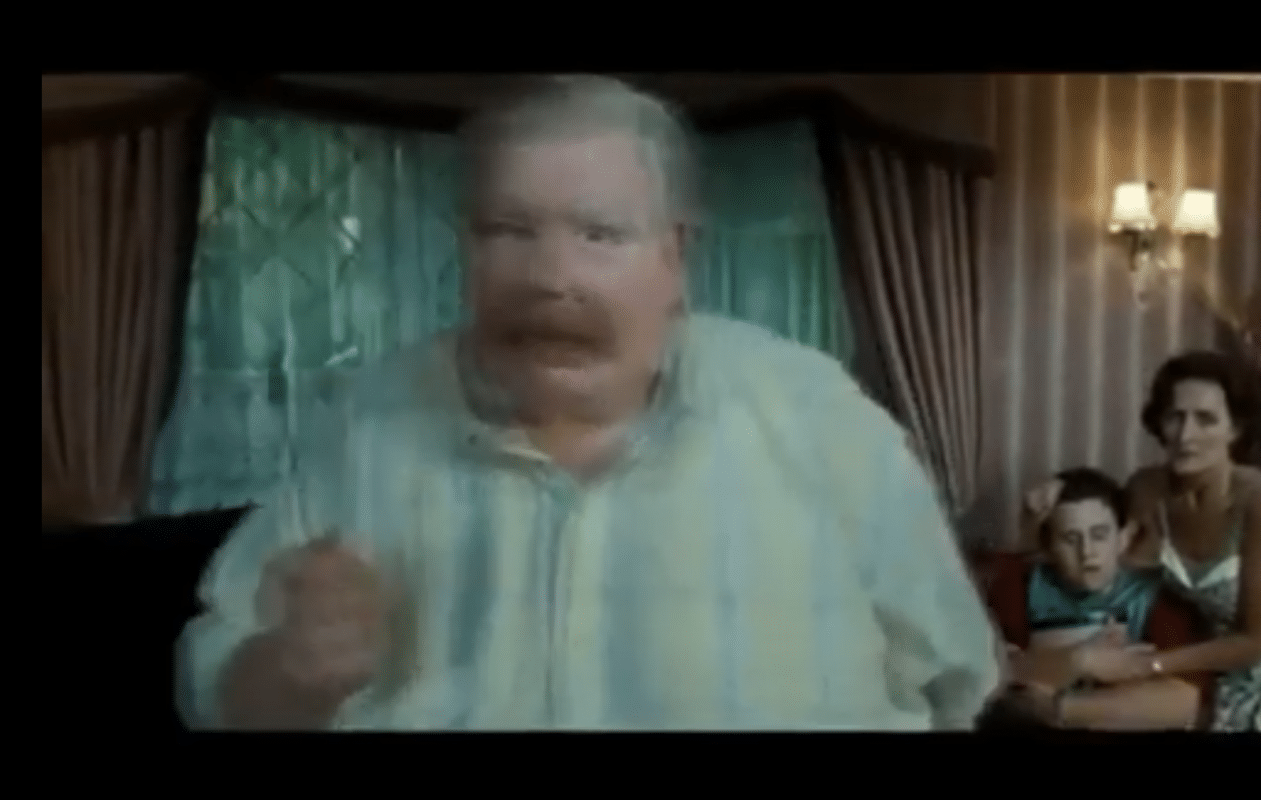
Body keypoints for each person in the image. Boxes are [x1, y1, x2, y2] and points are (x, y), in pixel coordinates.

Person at [176, 75, 1002, 730]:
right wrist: (288, 675)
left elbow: (955, 679)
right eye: (508, 230)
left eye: (600, 234)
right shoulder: (373, 419)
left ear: (676, 256)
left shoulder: (820, 418)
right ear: (466, 249)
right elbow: (211, 679)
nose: (551, 278)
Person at [1029, 352, 1261, 731]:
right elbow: (1095, 547)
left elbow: (1258, 641)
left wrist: (1149, 665)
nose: (1186, 435)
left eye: (1206, 419)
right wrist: (1055, 493)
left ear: (1235, 429)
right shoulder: (1147, 489)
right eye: (1175, 417)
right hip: (1202, 669)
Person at [979, 468, 1214, 731]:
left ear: (1123, 538)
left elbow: (1185, 702)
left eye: (1099, 535)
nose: (1087, 553)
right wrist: (1083, 660)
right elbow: (999, 676)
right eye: (1070, 539)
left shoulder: (1155, 596)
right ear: (1048, 546)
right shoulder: (1020, 586)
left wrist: (1059, 708)